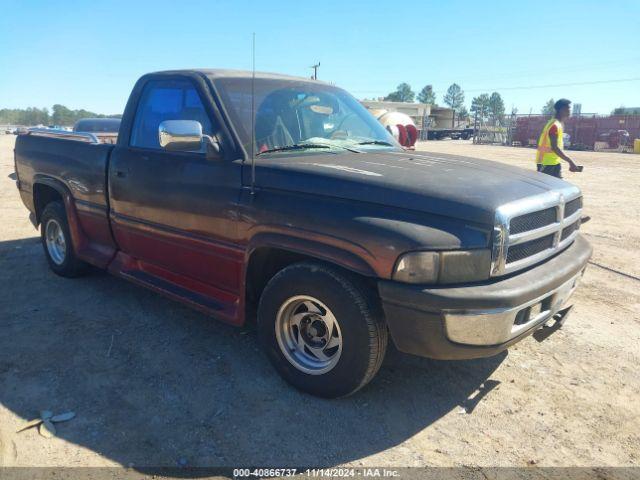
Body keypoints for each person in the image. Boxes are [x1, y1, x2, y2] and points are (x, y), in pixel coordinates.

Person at [536, 99, 582, 178]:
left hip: (554, 162)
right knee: (546, 189)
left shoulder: (557, 124)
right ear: (562, 110)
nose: (569, 111)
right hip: (546, 163)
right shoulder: (554, 125)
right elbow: (555, 147)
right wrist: (570, 161)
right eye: (568, 109)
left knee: (558, 188)